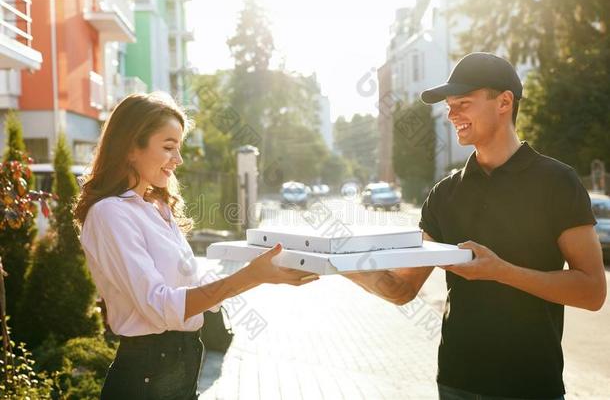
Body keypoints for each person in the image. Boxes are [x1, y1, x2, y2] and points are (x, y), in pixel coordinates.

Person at [344, 52, 606, 399]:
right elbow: (402, 289)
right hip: (456, 382)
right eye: (450, 106)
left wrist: (501, 271)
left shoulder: (558, 182)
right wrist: (340, 264)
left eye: (463, 103)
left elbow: (592, 291)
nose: (452, 115)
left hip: (530, 386)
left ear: (504, 102)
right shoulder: (444, 194)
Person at [74, 92, 318, 399]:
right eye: (168, 147)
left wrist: (267, 271)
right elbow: (161, 307)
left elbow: (198, 289)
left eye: (179, 147)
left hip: (180, 378)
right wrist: (252, 276)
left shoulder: (156, 208)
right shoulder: (110, 213)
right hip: (144, 382)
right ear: (131, 147)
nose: (178, 160)